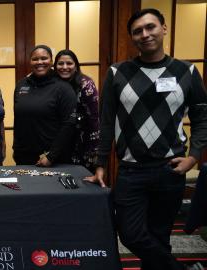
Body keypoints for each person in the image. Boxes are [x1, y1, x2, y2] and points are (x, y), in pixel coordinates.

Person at [85, 8, 207, 270]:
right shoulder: (118, 73)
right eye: (138, 31)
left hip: (170, 169)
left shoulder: (187, 72)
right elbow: (105, 122)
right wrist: (100, 163)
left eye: (150, 27)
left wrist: (194, 157)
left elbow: (201, 117)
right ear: (132, 38)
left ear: (164, 29)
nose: (145, 34)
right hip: (131, 171)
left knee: (160, 237)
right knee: (130, 233)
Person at [13, 45, 77, 166]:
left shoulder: (63, 88)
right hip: (23, 157)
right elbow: (18, 120)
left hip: (52, 158)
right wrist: (16, 148)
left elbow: (68, 125)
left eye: (44, 58)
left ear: (51, 61)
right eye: (35, 59)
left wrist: (51, 156)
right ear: (30, 62)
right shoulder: (21, 85)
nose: (40, 62)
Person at [54, 49, 100, 172]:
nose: (64, 67)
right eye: (60, 63)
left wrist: (94, 153)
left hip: (81, 142)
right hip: (58, 142)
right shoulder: (53, 83)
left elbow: (94, 120)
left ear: (76, 66)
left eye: (69, 63)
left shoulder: (86, 85)